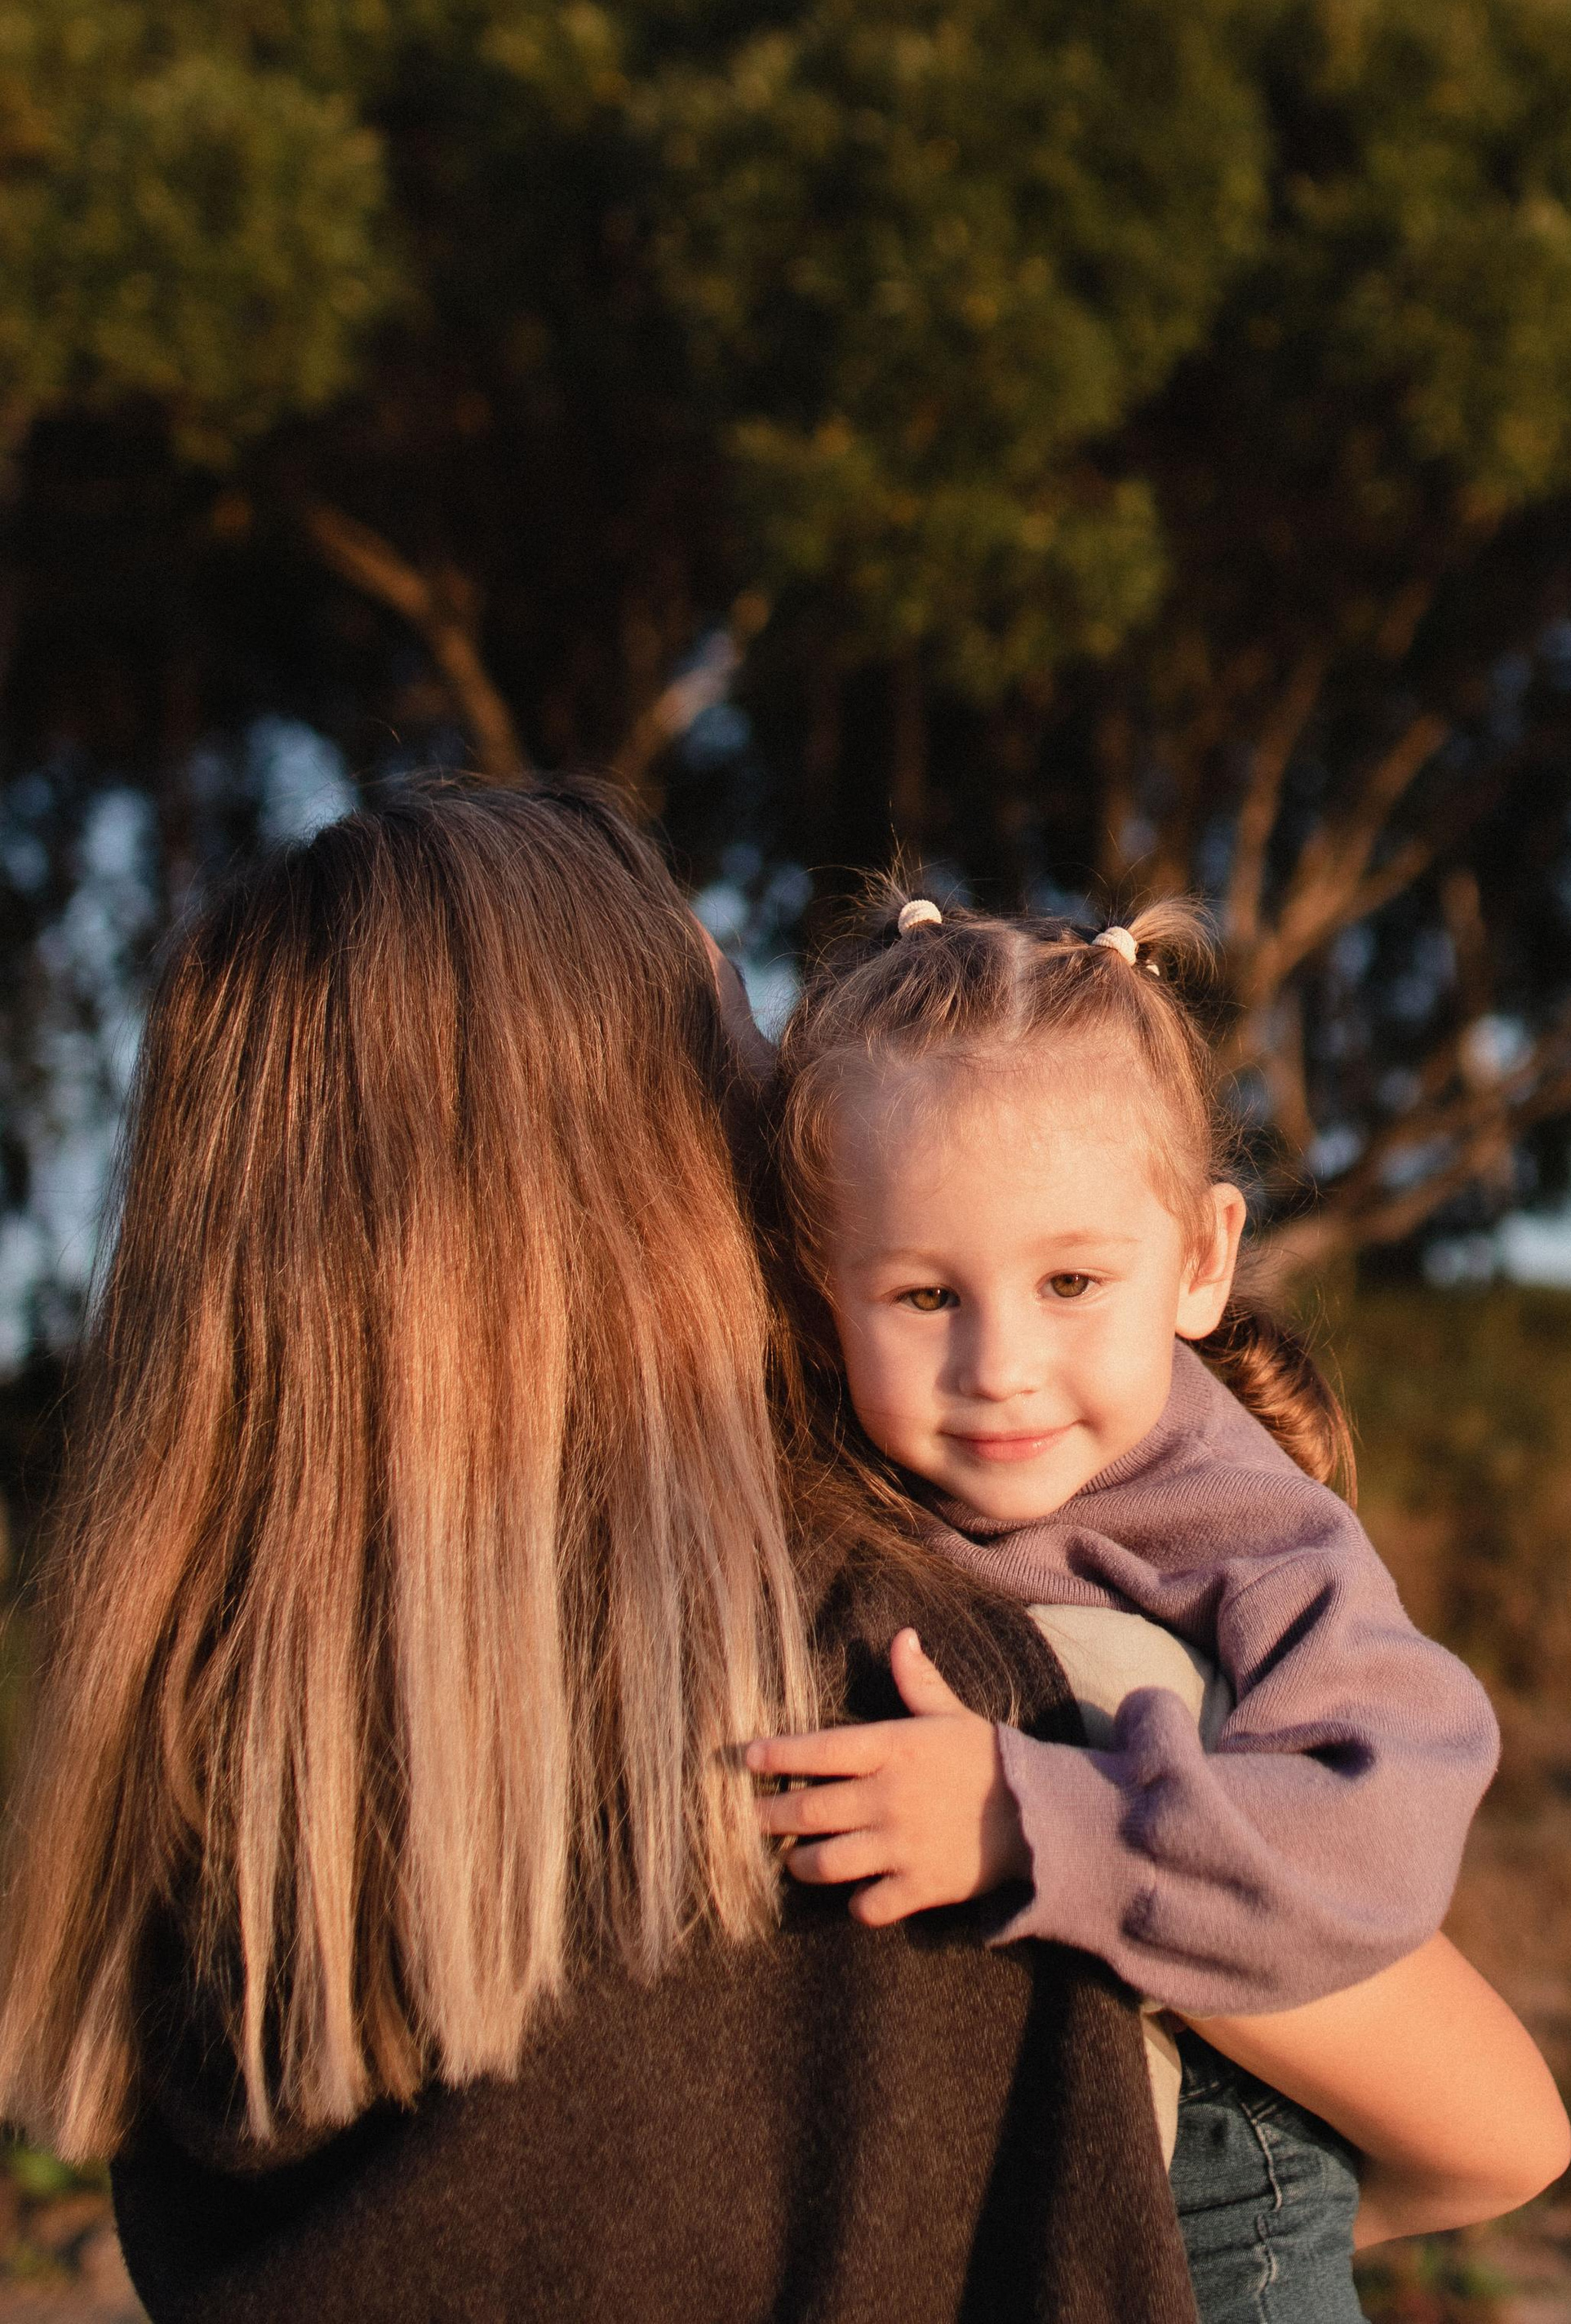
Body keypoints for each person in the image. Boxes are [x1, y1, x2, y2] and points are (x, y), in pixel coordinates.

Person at [0, 788, 1203, 2324]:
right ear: (644, 1183)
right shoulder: (904, 1705)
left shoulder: (196, 1796)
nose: (785, 1108)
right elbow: (1485, 2136)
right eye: (742, 1054)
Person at [744, 885, 1568, 2323]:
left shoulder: (1244, 1534)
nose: (1000, 1365)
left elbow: (1379, 1836)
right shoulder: (831, 1473)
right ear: (825, 1297)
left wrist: (1028, 1819)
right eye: (926, 1298)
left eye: (1071, 1280)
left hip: (1217, 2231)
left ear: (1200, 1260)